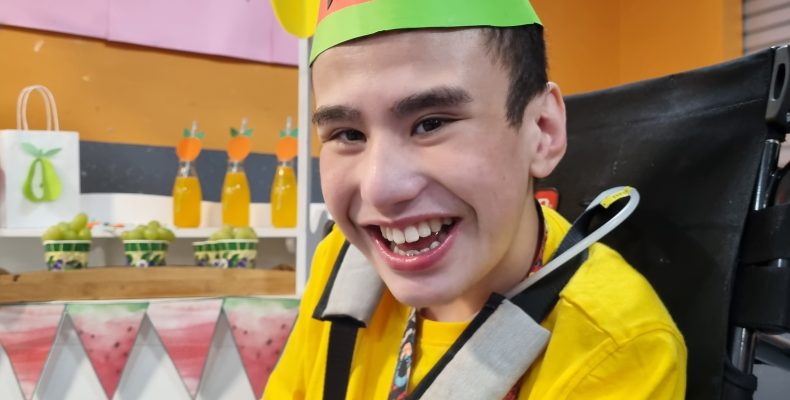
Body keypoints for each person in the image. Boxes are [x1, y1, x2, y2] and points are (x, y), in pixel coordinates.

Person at [264, 0, 687, 398]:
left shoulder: (615, 350)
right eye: (348, 135)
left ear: (542, 129)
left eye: (430, 124)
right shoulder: (340, 265)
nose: (380, 189)